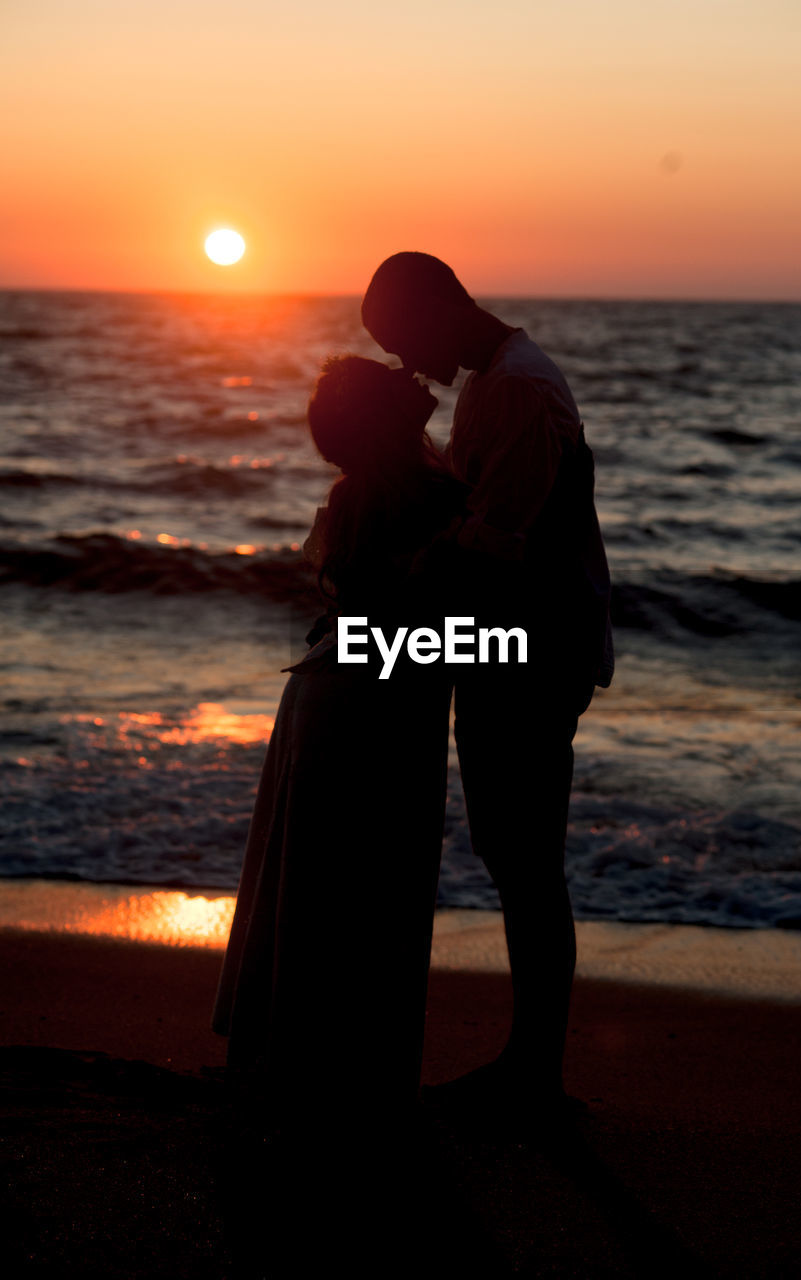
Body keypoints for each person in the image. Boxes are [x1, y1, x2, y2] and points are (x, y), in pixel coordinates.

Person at [362, 253, 613, 1125]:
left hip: (533, 653)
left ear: (438, 307)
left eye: (404, 341)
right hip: (524, 646)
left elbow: (495, 544)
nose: (408, 365)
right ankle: (529, 1065)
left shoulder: (511, 390)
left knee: (527, 862)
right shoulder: (500, 379)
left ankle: (534, 1075)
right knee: (518, 857)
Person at [212, 355, 465, 1152]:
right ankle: (370, 1082)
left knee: (313, 885)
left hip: (330, 693)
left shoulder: (358, 502)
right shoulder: (446, 501)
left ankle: (296, 1067)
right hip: (386, 707)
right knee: (382, 887)